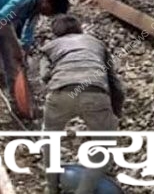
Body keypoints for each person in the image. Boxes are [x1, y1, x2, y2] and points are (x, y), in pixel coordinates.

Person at [40, 15, 124, 194]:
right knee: (104, 147)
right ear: (80, 29)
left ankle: (51, 188)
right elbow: (115, 83)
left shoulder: (49, 47)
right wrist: (116, 113)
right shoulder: (96, 43)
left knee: (49, 139)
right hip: (95, 94)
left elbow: (44, 76)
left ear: (56, 33)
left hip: (60, 93)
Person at [0, 0, 69, 127]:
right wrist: (15, 46)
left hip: (2, 22)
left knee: (13, 67)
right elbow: (0, 18)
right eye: (50, 11)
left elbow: (28, 32)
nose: (48, 15)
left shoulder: (36, 6)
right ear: (46, 0)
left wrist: (23, 52)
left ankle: (17, 106)